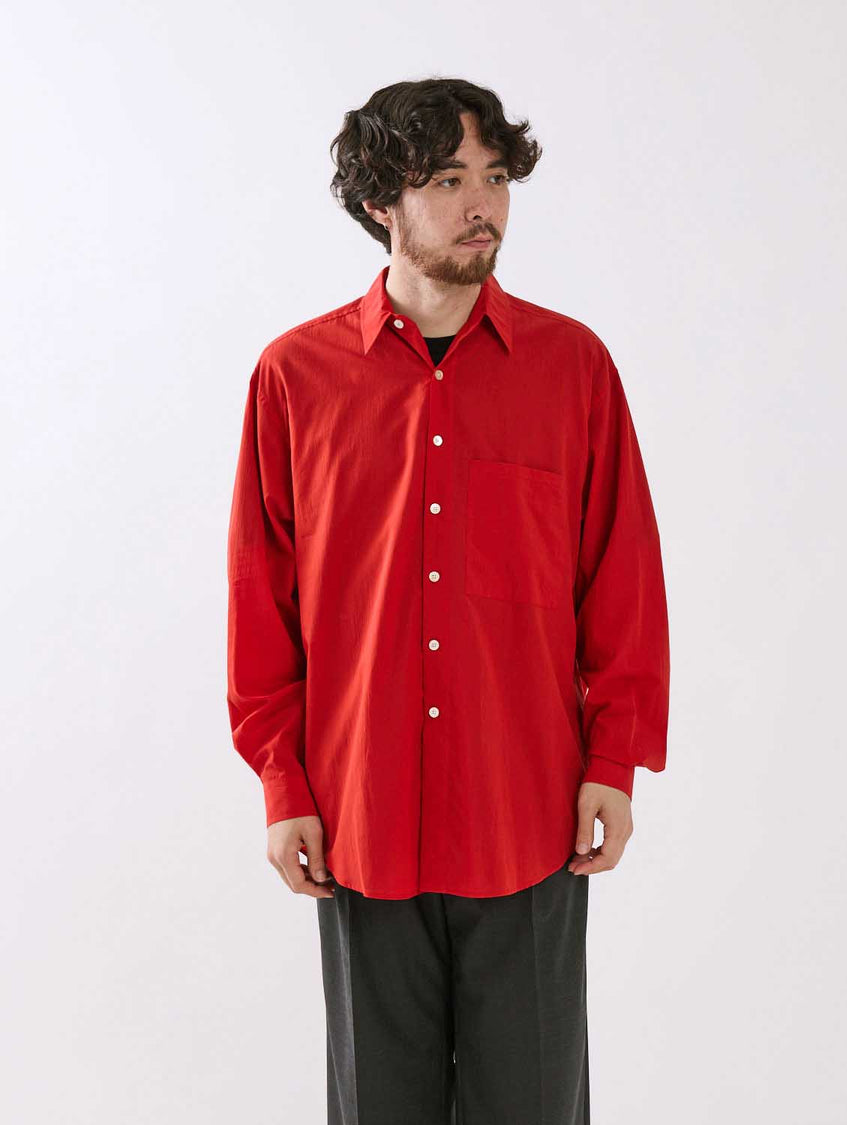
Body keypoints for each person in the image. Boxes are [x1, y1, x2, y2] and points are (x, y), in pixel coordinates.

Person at [225, 76, 670, 1125]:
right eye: (447, 181)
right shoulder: (294, 377)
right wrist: (283, 780)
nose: (484, 206)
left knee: (534, 1107)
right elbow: (260, 597)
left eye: (496, 177)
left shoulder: (572, 367)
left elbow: (622, 577)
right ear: (380, 200)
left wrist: (613, 760)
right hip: (360, 817)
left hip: (529, 812)